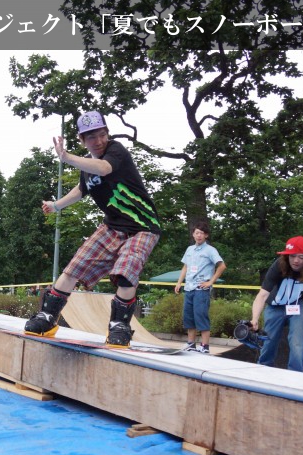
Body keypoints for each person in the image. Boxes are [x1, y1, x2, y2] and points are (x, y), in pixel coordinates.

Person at [24, 111, 161, 347]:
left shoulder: (115, 151)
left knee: (126, 271)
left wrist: (66, 157)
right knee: (74, 267)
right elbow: (81, 189)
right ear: (82, 139)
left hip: (143, 227)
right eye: (91, 138)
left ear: (107, 133)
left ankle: (119, 326)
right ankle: (48, 317)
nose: (98, 141)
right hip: (112, 227)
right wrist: (56, 205)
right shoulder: (87, 168)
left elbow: (105, 169)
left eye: (101, 135)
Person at [250, 236, 303, 372]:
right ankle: (263, 369)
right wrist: (254, 318)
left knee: (298, 341)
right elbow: (262, 294)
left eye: (301, 257)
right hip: (276, 304)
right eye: (292, 256)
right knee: (269, 340)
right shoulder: (279, 265)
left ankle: (296, 375)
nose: (295, 261)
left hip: (300, 303)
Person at [174, 221, 227, 354]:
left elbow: (222, 266)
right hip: (189, 287)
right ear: (193, 234)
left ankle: (205, 346)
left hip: (201, 289)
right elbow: (185, 266)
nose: (199, 236)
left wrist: (210, 282)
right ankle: (191, 344)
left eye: (202, 233)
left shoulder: (210, 250)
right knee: (189, 317)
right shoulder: (189, 249)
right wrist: (179, 282)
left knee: (201, 316)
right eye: (197, 233)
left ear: (206, 236)